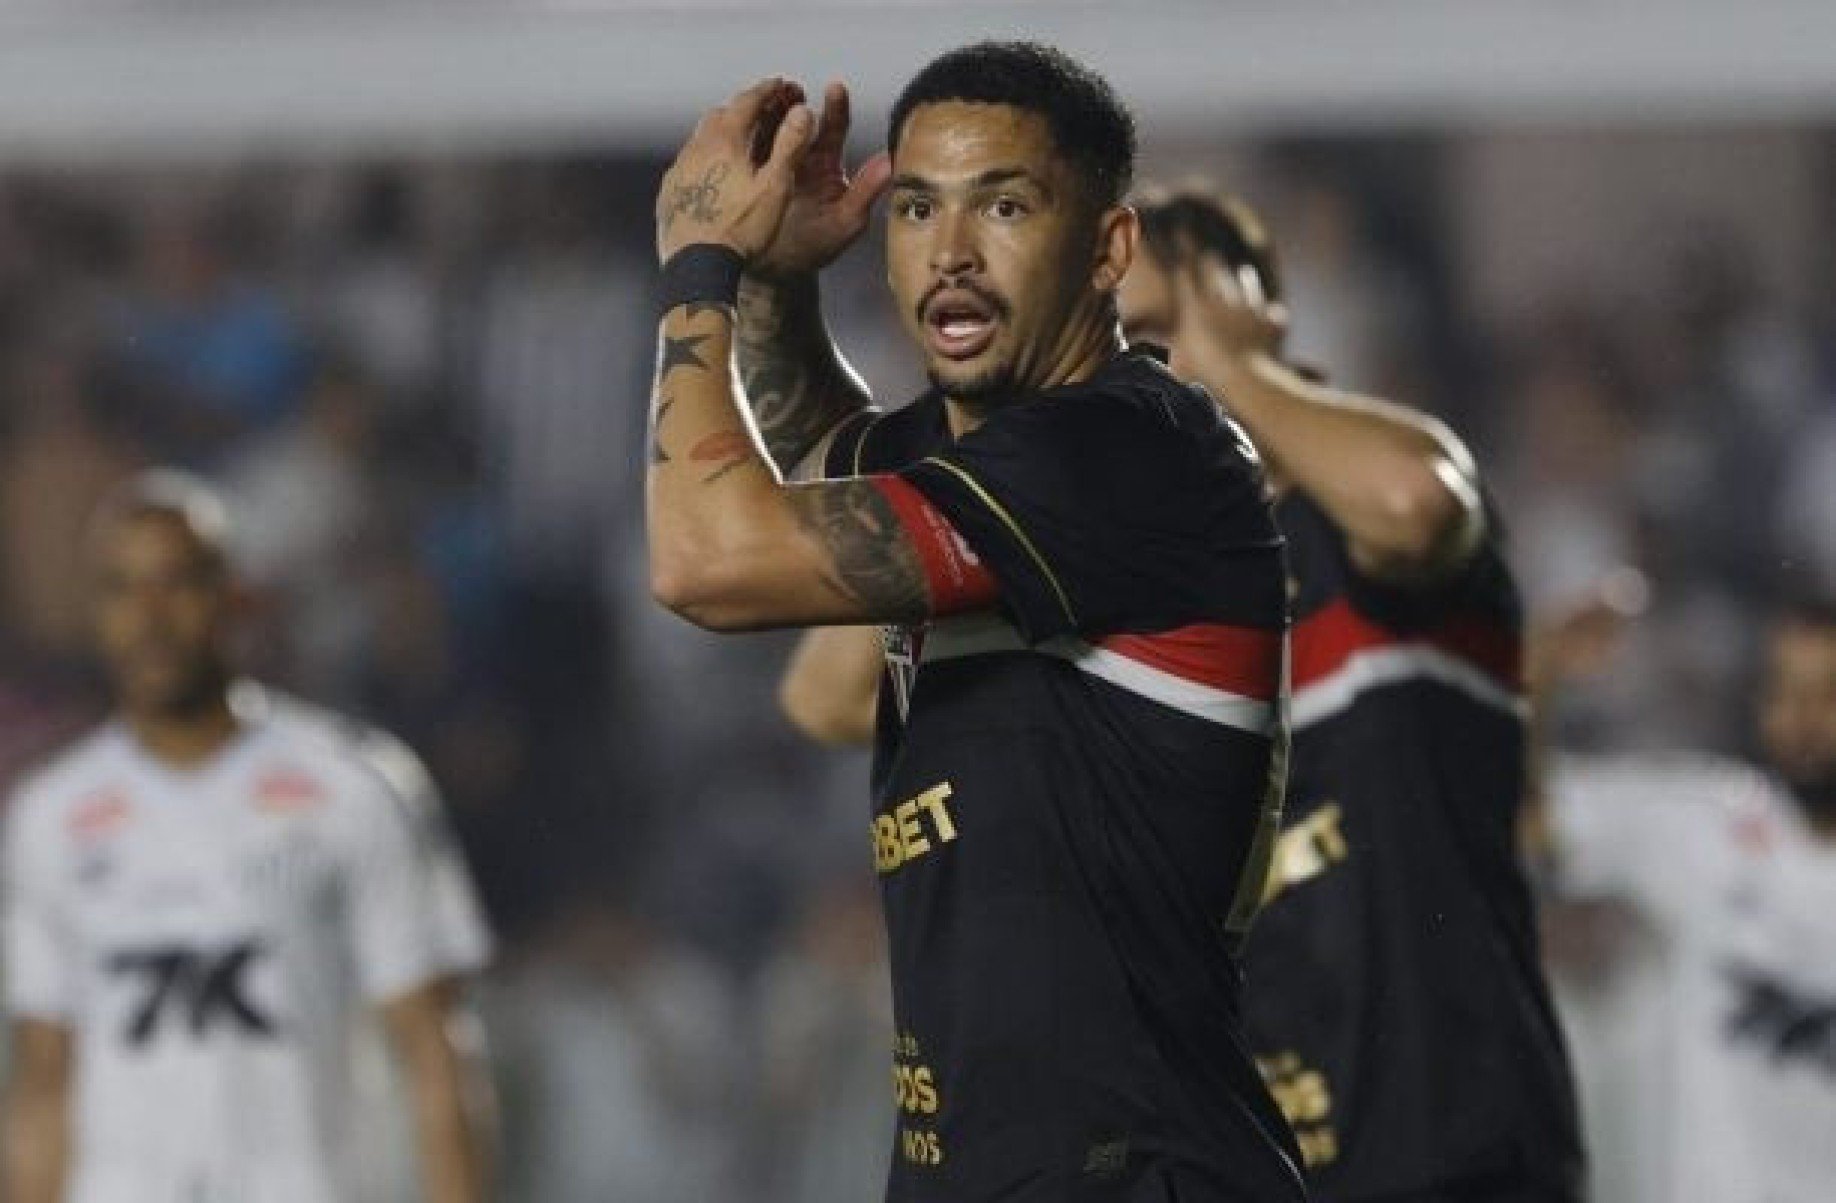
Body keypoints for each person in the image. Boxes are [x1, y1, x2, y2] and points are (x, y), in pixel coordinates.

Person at [780, 187, 1585, 1201]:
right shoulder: (1101, 566)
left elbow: (1415, 505)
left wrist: (1229, 367)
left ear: (1260, 309)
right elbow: (827, 695)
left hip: (1449, 1158)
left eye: (1153, 335)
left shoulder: (1374, 508)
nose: (1132, 376)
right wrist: (974, 453)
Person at [647, 43, 1306, 1202]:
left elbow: (711, 559)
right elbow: (817, 465)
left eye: (1004, 205)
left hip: (1132, 1171)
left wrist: (701, 267)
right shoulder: (976, 460)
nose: (949, 253)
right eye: (914, 208)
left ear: (1108, 249)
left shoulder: (1128, 454)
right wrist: (783, 285)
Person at [1, 470, 495, 1203]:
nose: (151, 617)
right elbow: (45, 1081)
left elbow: (433, 1049)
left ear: (236, 597)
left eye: (178, 583)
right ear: (95, 611)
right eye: (122, 589)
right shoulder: (48, 817)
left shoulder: (354, 789)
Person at [1541, 595, 1836, 1203]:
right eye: (1783, 691)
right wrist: (1540, 673)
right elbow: (1529, 817)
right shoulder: (1705, 824)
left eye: (1830, 694)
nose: (1803, 718)